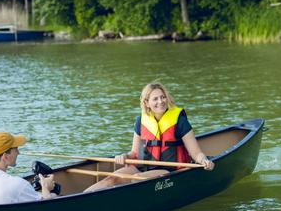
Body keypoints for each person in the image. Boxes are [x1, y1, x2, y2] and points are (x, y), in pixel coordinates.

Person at [85, 82, 214, 192]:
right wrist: (124, 156)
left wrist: (204, 161)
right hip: (141, 167)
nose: (161, 101)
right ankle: (82, 196)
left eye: (163, 97)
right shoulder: (140, 121)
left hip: (168, 170)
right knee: (111, 179)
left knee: (136, 180)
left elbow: (196, 153)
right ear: (146, 103)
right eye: (155, 99)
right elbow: (134, 153)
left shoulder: (180, 122)